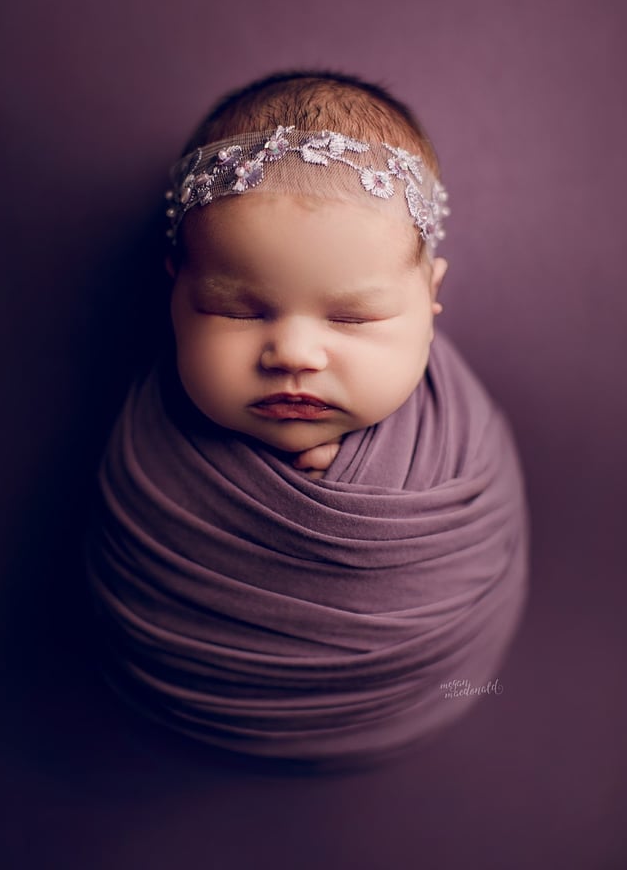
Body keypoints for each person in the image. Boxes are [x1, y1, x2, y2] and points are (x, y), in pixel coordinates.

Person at [87, 71, 529, 765]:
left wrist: (377, 478)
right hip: (190, 706)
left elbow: (484, 547)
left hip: (419, 696)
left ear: (430, 296)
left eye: (352, 317)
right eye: (235, 309)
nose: (293, 352)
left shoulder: (456, 446)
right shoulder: (152, 445)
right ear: (175, 291)